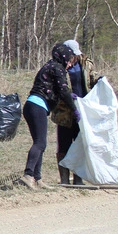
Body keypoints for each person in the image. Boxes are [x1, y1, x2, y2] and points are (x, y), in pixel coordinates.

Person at [19, 43, 79, 190]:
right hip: (37, 106)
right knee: (40, 143)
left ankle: (37, 178)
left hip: (32, 106)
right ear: (63, 58)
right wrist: (74, 109)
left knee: (39, 143)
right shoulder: (58, 68)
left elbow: (56, 88)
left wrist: (68, 94)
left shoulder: (50, 66)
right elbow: (63, 90)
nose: (70, 65)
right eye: (69, 61)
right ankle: (28, 175)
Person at [52, 39, 100, 185]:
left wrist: (99, 81)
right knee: (64, 144)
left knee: (80, 144)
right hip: (64, 111)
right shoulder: (59, 65)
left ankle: (78, 178)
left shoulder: (86, 64)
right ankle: (64, 179)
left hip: (83, 110)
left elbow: (91, 80)